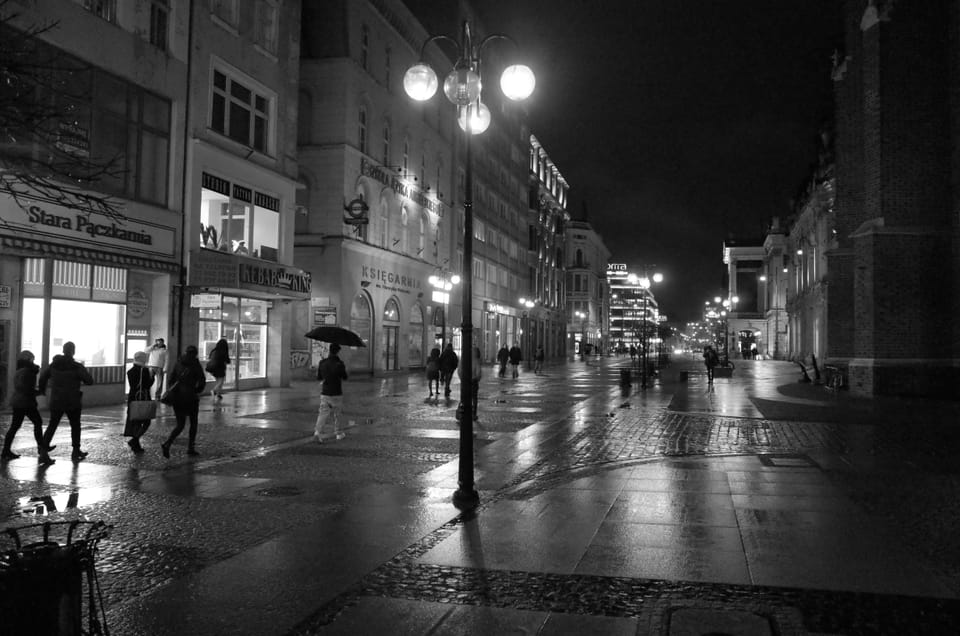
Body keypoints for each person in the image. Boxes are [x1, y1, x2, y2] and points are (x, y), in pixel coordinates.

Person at [39, 342, 94, 462]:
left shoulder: (54, 365)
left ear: (63, 350)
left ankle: (43, 450)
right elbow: (89, 381)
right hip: (72, 400)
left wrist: (42, 390)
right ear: (73, 351)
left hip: (57, 399)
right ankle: (76, 450)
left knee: (52, 425)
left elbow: (43, 377)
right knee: (75, 425)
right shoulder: (76, 366)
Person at [2, 351, 53, 464]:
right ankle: (41, 449)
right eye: (32, 359)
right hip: (26, 402)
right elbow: (27, 389)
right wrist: (38, 392)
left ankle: (6, 451)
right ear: (29, 360)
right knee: (37, 422)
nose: (33, 362)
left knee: (15, 426)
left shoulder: (19, 370)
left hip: (18, 401)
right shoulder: (29, 372)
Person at [161, 345, 207, 458]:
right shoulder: (195, 364)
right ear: (195, 353)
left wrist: (176, 390)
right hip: (191, 398)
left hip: (178, 398)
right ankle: (190, 448)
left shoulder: (178, 363)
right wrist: (196, 390)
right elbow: (202, 380)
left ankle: (168, 443)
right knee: (193, 423)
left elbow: (171, 380)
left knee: (180, 424)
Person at [315, 343, 348, 442]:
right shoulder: (340, 364)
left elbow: (319, 377)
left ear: (329, 350)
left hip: (325, 392)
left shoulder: (322, 363)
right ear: (338, 351)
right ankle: (338, 433)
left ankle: (317, 431)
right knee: (337, 414)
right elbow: (345, 377)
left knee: (323, 413)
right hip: (337, 392)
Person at [124, 351, 154, 454]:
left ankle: (136, 444)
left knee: (135, 422)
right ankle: (135, 440)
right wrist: (152, 376)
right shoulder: (144, 371)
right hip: (143, 398)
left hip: (133, 398)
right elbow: (148, 384)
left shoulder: (130, 371)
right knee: (146, 421)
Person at [457, 345, 482, 421]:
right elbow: (478, 373)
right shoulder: (476, 360)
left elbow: (459, 370)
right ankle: (474, 414)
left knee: (464, 397)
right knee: (474, 398)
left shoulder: (463, 359)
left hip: (464, 382)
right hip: (473, 381)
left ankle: (461, 412)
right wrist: (476, 378)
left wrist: (462, 378)